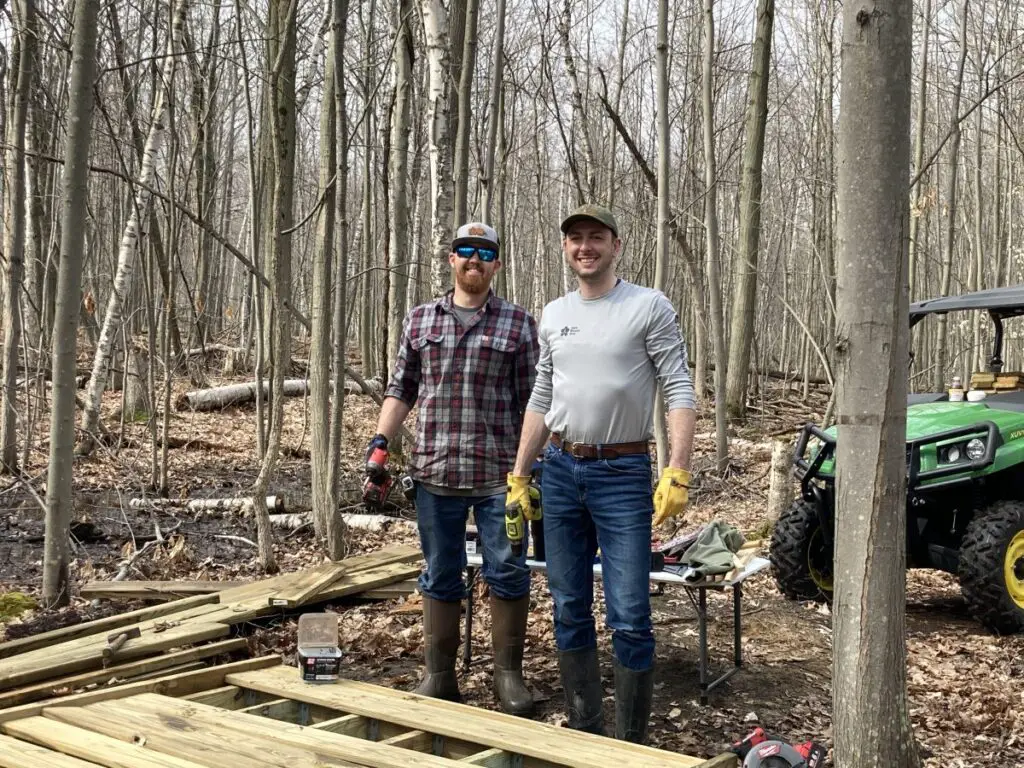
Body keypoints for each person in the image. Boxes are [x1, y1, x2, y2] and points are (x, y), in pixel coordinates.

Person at [506, 204, 696, 742]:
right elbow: (543, 394)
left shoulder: (646, 306)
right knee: (568, 606)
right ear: (565, 249)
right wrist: (521, 475)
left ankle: (631, 740)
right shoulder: (553, 312)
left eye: (595, 237)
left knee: (631, 613)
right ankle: (585, 727)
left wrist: (676, 470)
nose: (584, 247)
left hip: (624, 472)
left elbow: (678, 387)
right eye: (574, 239)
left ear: (616, 244)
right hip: (561, 471)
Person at [367, 222, 540, 715]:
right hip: (433, 471)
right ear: (451, 259)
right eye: (465, 251)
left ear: (496, 264)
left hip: (499, 476)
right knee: (440, 571)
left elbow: (535, 401)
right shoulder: (420, 320)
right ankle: (438, 675)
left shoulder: (518, 324)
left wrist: (533, 469)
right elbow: (402, 389)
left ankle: (508, 676)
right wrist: (381, 444)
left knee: (507, 570)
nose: (474, 260)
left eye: (485, 253)